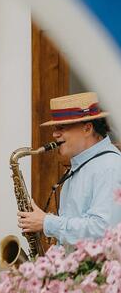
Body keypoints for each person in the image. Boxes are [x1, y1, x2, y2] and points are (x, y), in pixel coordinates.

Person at [17, 91, 121, 247]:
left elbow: (102, 231)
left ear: (87, 128)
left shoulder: (109, 167)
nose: (54, 134)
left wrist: (46, 222)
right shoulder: (81, 166)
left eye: (62, 127)